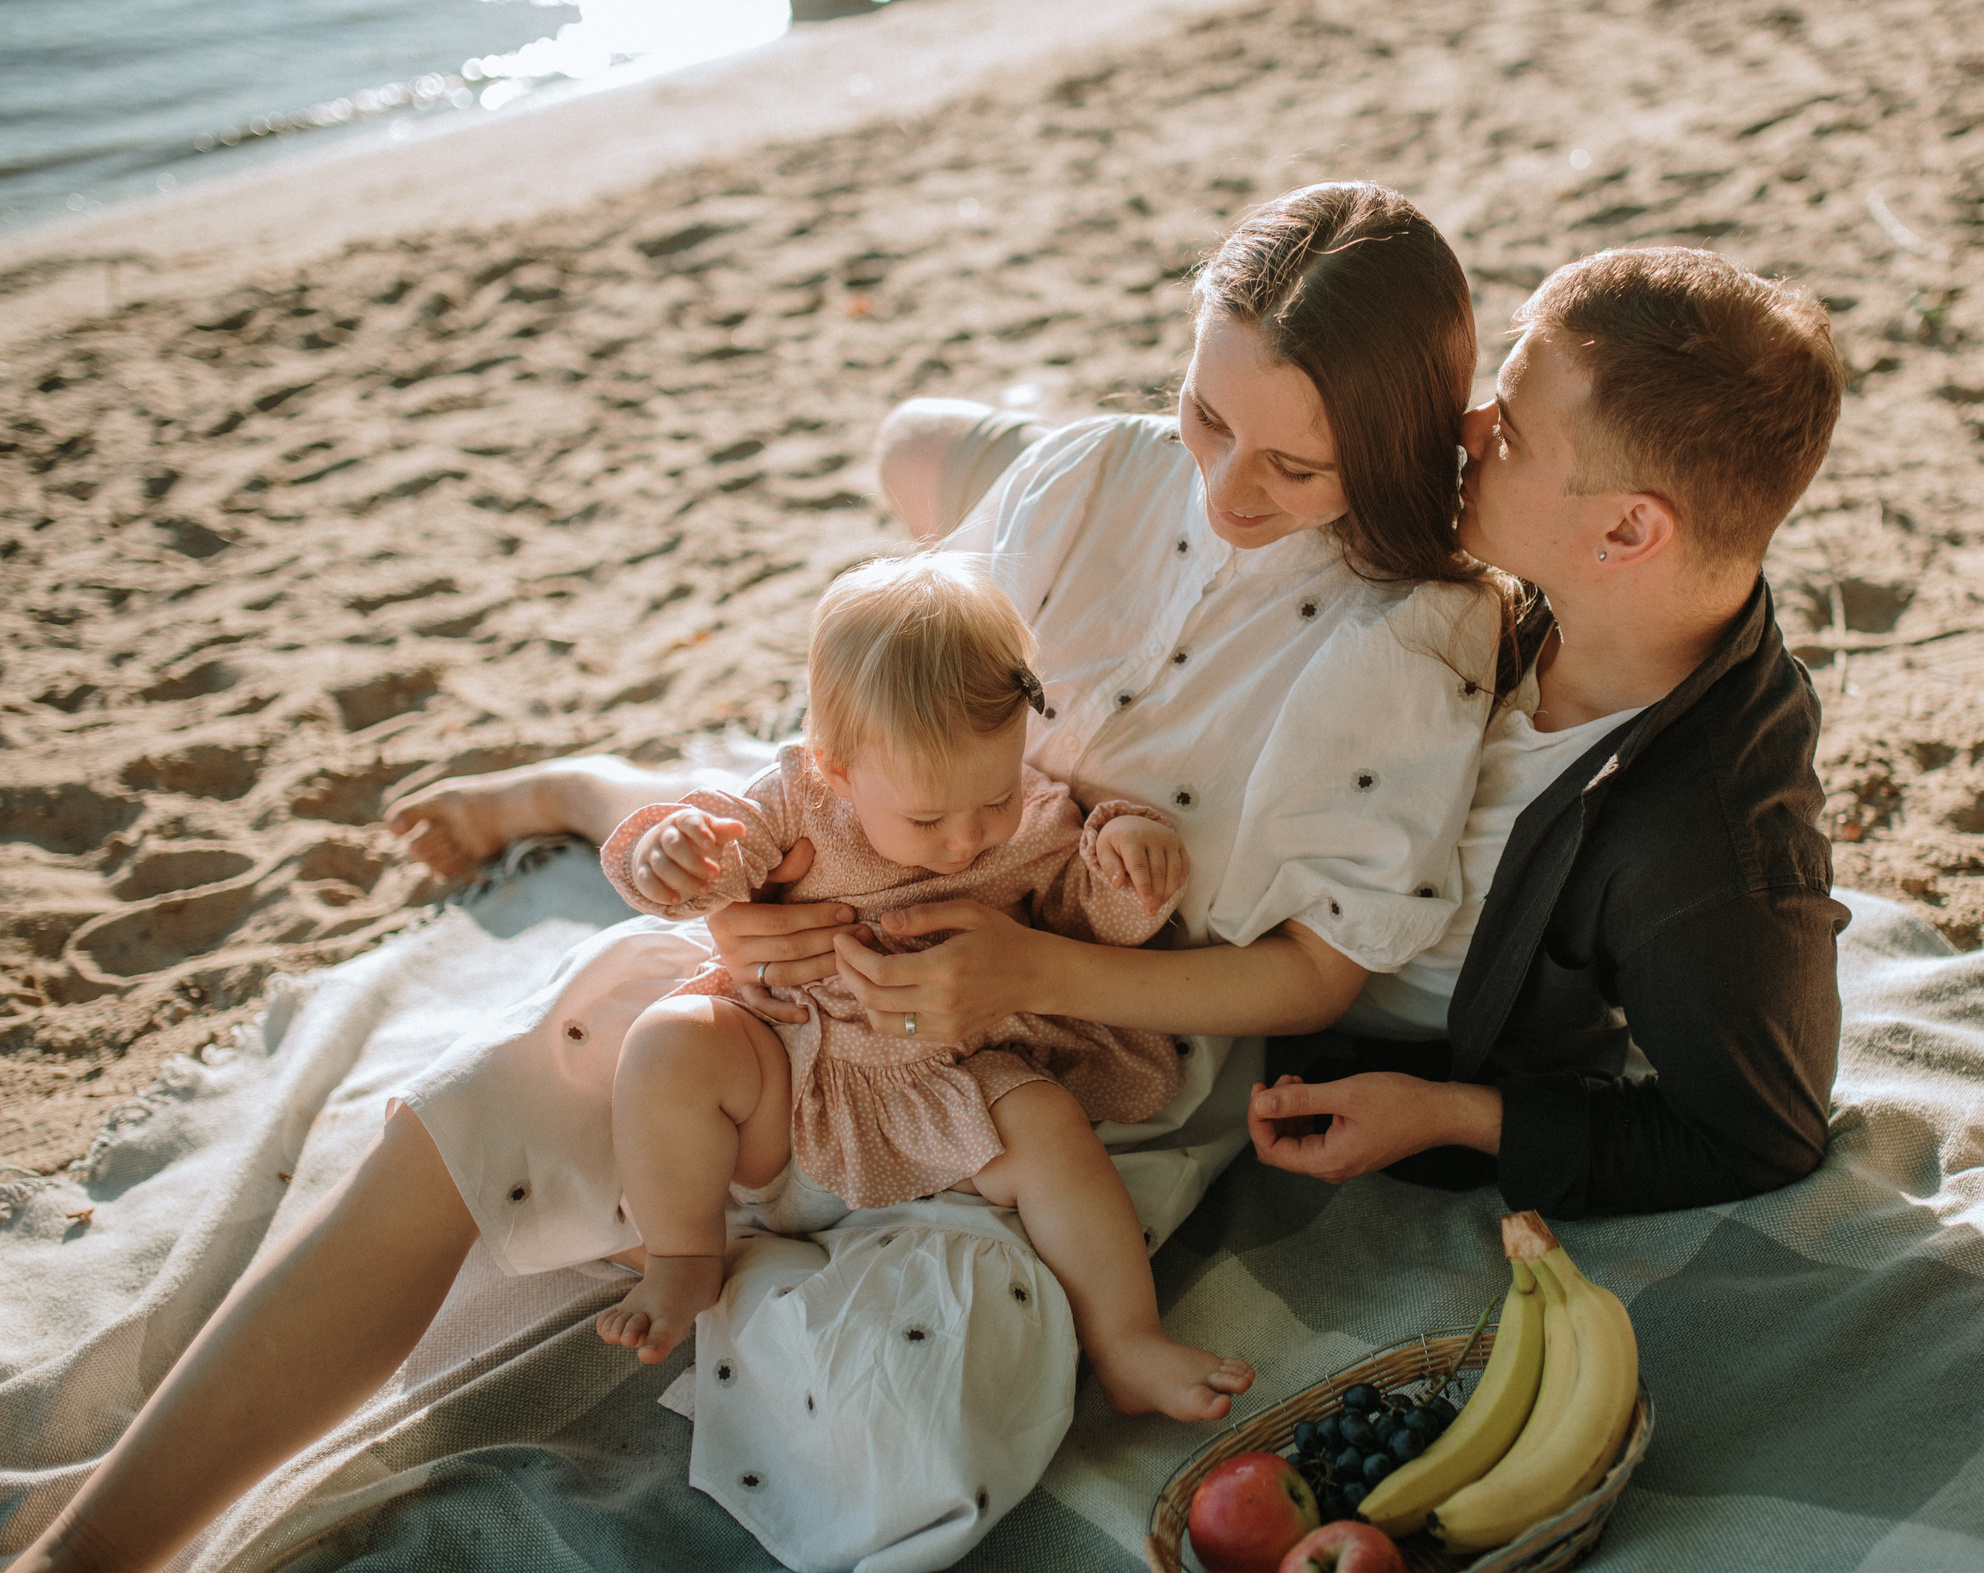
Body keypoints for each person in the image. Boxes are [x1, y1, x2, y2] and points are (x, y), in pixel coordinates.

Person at [18, 181, 1508, 1573]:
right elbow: (869, 733)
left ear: (1381, 447)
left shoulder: (1411, 640)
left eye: (1292, 463)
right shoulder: (1095, 476)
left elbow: (1322, 971)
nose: (1227, 487)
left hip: (1087, 1040)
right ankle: (90, 1550)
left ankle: (584, 802)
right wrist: (760, 905)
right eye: (1203, 415)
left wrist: (1030, 971)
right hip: (837, 935)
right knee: (495, 1092)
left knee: (914, 1409)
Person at [1245, 245, 1851, 1217]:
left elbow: (1758, 1132)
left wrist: (1449, 1114)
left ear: (1625, 532)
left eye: (1512, 431)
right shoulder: (1551, 593)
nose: (1468, 426)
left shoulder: (1712, 857)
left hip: (1286, 1038)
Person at [593, 554, 1251, 1423]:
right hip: (786, 1091)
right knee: (669, 1040)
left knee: (1049, 1125)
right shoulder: (795, 799)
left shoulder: (1037, 818)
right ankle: (683, 1253)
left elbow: (1083, 913)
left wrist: (1124, 862)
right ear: (835, 769)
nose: (966, 841)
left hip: (951, 1090)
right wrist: (671, 851)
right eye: (928, 818)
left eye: (995, 796)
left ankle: (1125, 1338)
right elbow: (723, 852)